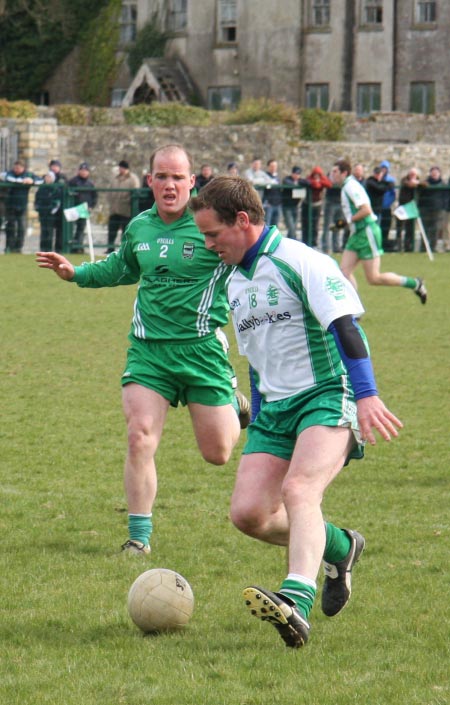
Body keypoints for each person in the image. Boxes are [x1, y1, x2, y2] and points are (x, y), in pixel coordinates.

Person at [190, 175, 403, 649]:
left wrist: (366, 394)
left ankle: (295, 602)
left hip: (329, 392)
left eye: (213, 234)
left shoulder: (300, 260)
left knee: (299, 488)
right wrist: (260, 418)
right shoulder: (234, 281)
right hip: (276, 408)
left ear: (242, 221)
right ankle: (340, 547)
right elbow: (257, 360)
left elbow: (346, 326)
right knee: (249, 514)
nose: (208, 245)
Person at [36, 144, 249, 556]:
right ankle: (139, 538)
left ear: (192, 182)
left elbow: (251, 255)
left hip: (201, 351)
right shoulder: (139, 227)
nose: (169, 185)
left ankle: (234, 400)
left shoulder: (210, 226)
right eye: (161, 176)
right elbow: (120, 268)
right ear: (149, 180)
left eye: (177, 177)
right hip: (148, 352)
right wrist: (75, 273)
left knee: (219, 453)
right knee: (139, 437)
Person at [331, 159, 427, 304]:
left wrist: (348, 221)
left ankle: (415, 284)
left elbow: (366, 210)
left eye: (335, 172)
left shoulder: (350, 186)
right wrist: (345, 224)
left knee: (374, 278)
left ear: (344, 173)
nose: (332, 175)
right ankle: (355, 310)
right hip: (357, 234)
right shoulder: (347, 186)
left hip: (367, 232)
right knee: (343, 273)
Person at [3, 159, 42, 253]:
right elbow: (8, 178)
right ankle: (9, 247)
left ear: (23, 168)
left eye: (19, 168)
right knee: (10, 227)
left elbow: (40, 180)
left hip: (22, 206)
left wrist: (31, 181)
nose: (16, 169)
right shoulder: (10, 173)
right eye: (15, 167)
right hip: (10, 205)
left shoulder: (28, 175)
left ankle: (18, 247)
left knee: (21, 227)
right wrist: (22, 181)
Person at [106, 160, 140, 254]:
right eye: (120, 167)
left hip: (126, 210)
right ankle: (110, 248)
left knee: (125, 231)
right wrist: (111, 201)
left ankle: (124, 249)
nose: (121, 169)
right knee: (112, 229)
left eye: (123, 168)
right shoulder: (115, 178)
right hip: (114, 209)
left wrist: (127, 201)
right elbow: (109, 191)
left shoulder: (133, 179)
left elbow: (135, 192)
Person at [67, 162, 97, 254]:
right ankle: (70, 246)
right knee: (70, 228)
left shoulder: (90, 184)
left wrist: (91, 206)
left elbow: (94, 196)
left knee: (81, 228)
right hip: (73, 209)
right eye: (82, 170)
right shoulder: (73, 182)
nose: (84, 172)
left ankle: (78, 247)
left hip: (84, 210)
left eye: (85, 171)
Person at [417, 165, 447, 253]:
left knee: (435, 229)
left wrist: (443, 206)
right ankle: (423, 248)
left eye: (436, 173)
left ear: (439, 174)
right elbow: (419, 193)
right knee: (424, 229)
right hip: (425, 209)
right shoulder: (425, 184)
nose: (434, 174)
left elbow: (445, 197)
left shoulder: (443, 185)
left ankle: (433, 248)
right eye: (433, 173)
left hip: (438, 210)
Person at [301, 166, 332, 247]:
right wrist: (314, 183)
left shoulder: (322, 179)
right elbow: (304, 182)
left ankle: (314, 242)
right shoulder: (309, 179)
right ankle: (305, 242)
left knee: (315, 225)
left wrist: (318, 183)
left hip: (317, 205)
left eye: (318, 174)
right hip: (307, 204)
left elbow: (328, 184)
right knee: (306, 224)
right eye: (315, 174)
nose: (316, 176)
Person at [395, 168, 423, 252]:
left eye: (414, 174)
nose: (412, 176)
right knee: (399, 227)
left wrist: (417, 183)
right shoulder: (404, 180)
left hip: (412, 208)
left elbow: (425, 184)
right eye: (411, 174)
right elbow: (407, 184)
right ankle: (398, 246)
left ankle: (408, 247)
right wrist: (414, 183)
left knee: (410, 228)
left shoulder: (419, 181)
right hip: (402, 207)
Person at [35, 171, 59, 251]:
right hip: (42, 213)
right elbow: (37, 199)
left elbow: (57, 202)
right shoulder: (41, 188)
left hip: (50, 214)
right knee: (43, 231)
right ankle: (42, 248)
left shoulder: (55, 188)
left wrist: (52, 211)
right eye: (46, 177)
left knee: (49, 231)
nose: (47, 179)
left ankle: (49, 249)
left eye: (49, 177)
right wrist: (38, 208)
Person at [48, 159, 67, 252]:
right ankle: (47, 248)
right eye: (53, 166)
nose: (54, 168)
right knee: (48, 230)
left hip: (61, 209)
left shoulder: (63, 178)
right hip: (49, 209)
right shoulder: (46, 178)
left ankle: (59, 249)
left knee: (60, 230)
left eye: (56, 166)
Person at [281, 166, 306, 240]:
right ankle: (294, 241)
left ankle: (290, 242)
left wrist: (298, 182)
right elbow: (288, 183)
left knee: (294, 226)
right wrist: (297, 184)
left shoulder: (300, 180)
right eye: (295, 173)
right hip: (287, 207)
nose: (296, 175)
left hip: (295, 206)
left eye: (298, 174)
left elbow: (307, 182)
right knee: (291, 227)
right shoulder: (287, 179)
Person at [378, 160, 396, 252]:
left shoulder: (391, 180)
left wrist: (389, 203)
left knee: (386, 226)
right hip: (378, 207)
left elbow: (393, 194)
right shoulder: (377, 179)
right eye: (382, 168)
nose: (383, 170)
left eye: (385, 168)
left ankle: (384, 245)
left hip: (386, 207)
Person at [262, 159, 282, 227]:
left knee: (275, 225)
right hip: (268, 204)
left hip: (278, 204)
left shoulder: (278, 177)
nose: (274, 168)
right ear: (268, 167)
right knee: (267, 224)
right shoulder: (265, 176)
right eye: (272, 166)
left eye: (275, 166)